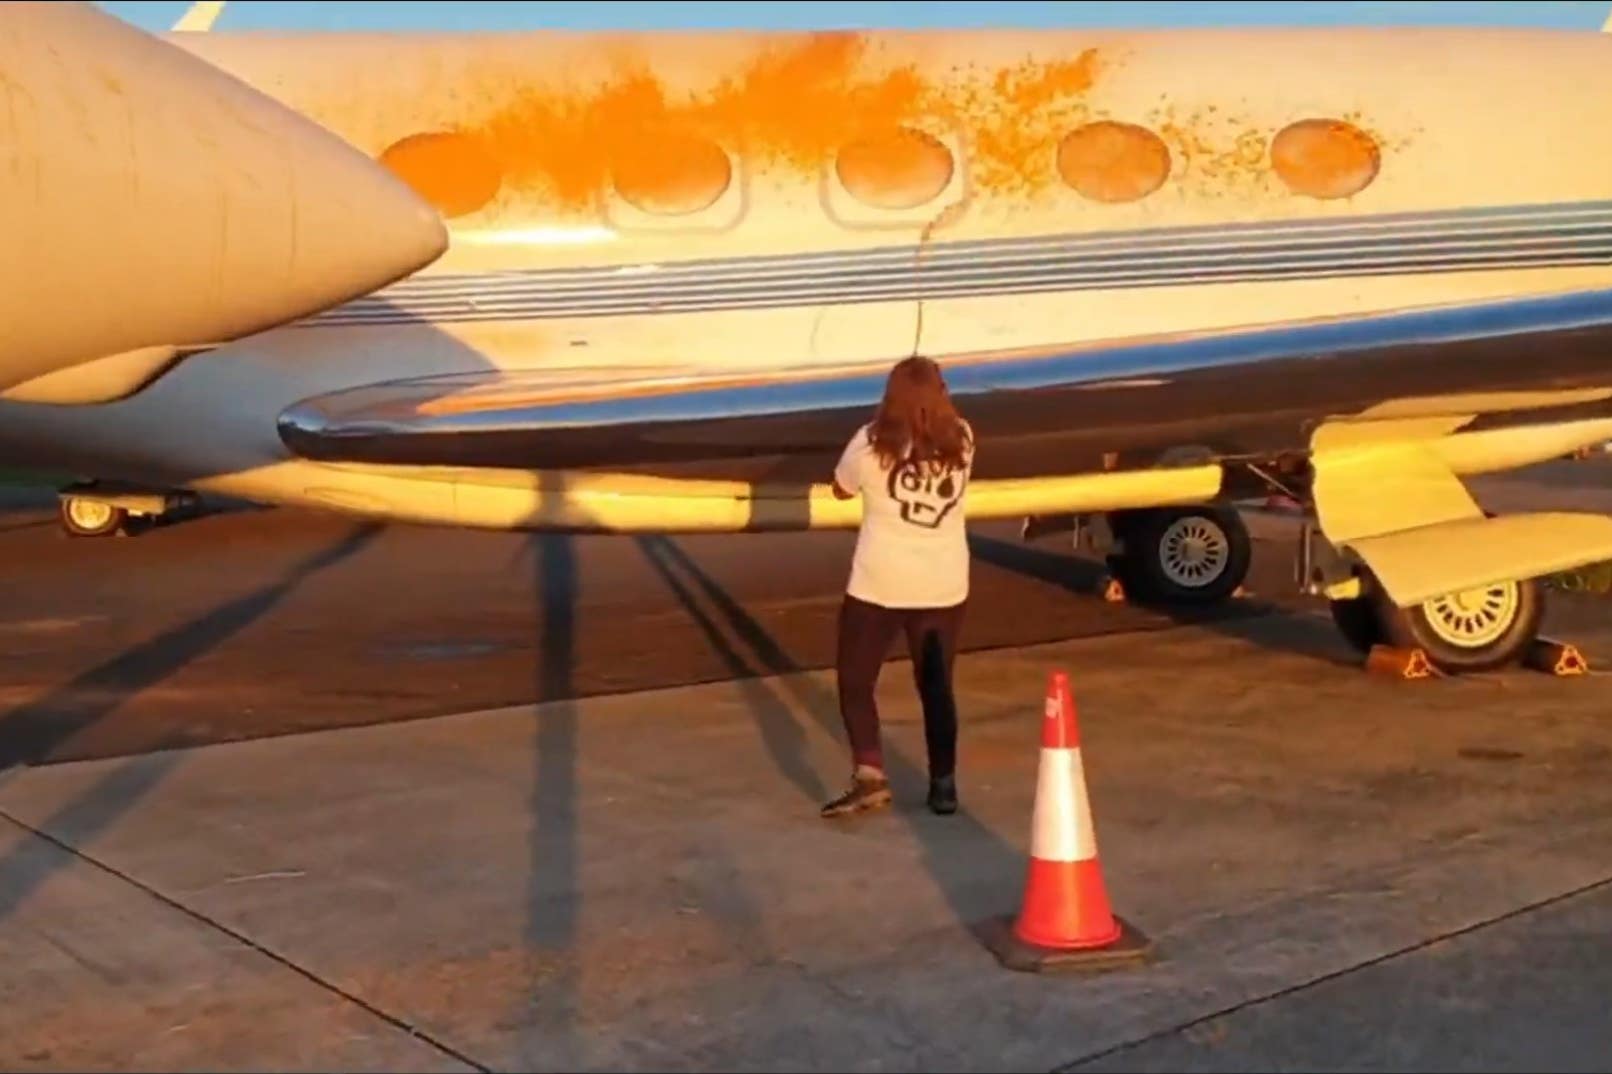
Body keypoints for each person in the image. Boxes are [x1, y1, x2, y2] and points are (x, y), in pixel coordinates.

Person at [820, 355, 975, 820]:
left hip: (879, 586)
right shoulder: (964, 438)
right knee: (936, 688)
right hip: (944, 585)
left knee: (855, 681)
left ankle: (869, 775)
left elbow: (840, 488)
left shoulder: (869, 445)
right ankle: (943, 785)